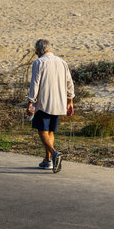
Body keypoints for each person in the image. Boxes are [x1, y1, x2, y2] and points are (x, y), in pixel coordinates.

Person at [27, 39, 75, 173]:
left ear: (39, 50)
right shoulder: (62, 62)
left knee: (42, 131)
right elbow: (69, 82)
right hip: (59, 102)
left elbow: (35, 83)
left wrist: (31, 102)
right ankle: (47, 160)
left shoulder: (39, 62)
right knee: (50, 131)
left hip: (44, 102)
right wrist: (70, 101)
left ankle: (54, 153)